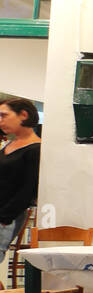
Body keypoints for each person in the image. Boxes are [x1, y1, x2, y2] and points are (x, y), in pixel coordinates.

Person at [0, 96, 41, 263]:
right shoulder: (8, 146)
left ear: (23, 115)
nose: (0, 121)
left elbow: (29, 189)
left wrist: (4, 218)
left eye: (4, 115)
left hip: (7, 217)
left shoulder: (35, 149)